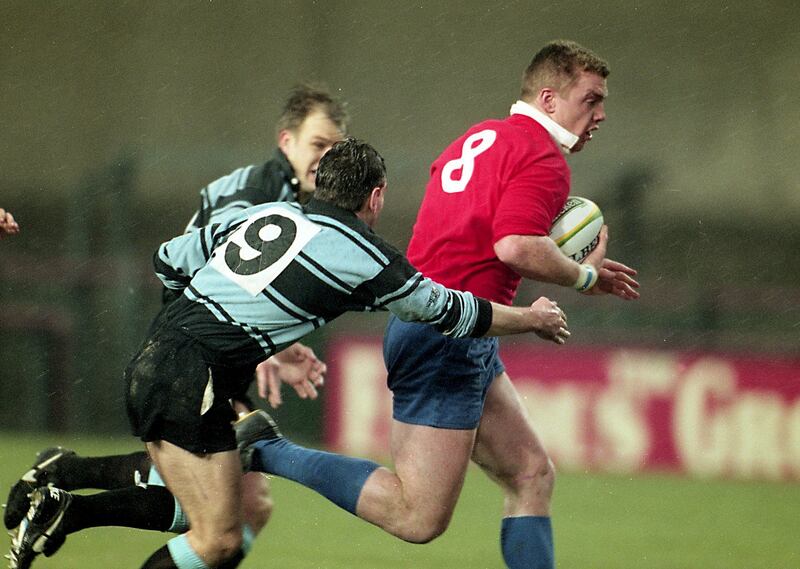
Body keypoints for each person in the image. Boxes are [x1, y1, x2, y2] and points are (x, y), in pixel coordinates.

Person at [12, 137, 570, 569]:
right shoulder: (366, 253)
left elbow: (168, 258)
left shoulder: (258, 215)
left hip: (160, 359)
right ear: (375, 197)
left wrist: (204, 329)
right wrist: (533, 318)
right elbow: (454, 313)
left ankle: (68, 502)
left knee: (216, 508)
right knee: (217, 540)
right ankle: (69, 501)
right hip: (196, 378)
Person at [223, 40, 639, 569]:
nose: (601, 113)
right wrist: (584, 275)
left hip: (451, 325)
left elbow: (476, 235)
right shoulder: (542, 158)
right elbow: (513, 246)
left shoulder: (482, 136)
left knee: (532, 474)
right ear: (551, 99)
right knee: (416, 518)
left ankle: (265, 448)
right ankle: (267, 449)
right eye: (592, 99)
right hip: (449, 337)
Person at [4, 83, 346, 569]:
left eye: (336, 146)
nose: (327, 156)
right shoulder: (254, 195)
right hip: (195, 352)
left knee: (235, 509)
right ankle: (68, 500)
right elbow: (226, 268)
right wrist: (268, 346)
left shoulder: (293, 195)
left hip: (216, 350)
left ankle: (66, 488)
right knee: (216, 520)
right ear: (286, 141)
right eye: (318, 144)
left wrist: (273, 346)